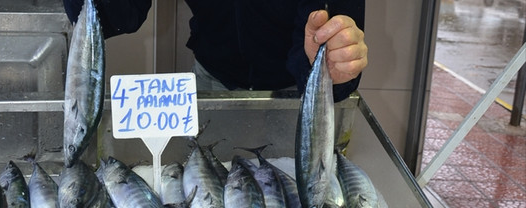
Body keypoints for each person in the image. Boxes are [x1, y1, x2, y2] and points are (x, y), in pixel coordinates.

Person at [62, 0, 367, 102]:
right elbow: (120, 14)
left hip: (299, 94)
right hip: (209, 81)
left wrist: (332, 66)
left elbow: (338, 30)